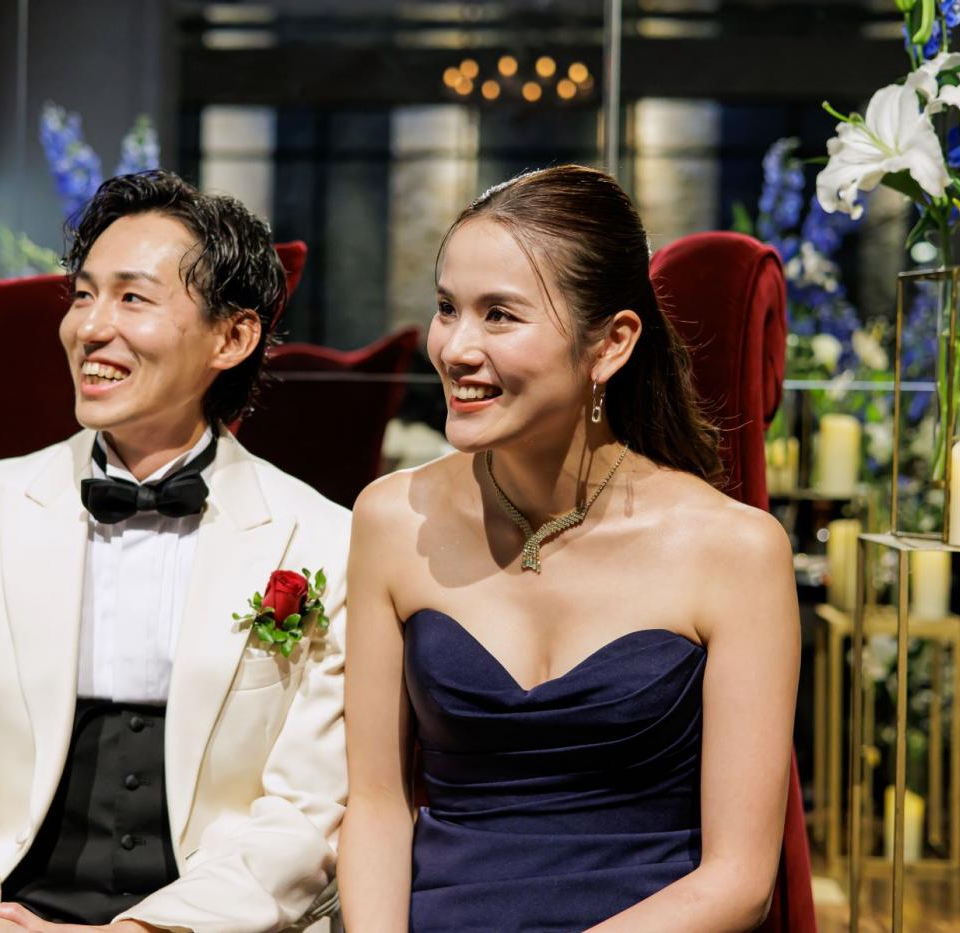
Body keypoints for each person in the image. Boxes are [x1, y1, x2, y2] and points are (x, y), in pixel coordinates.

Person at [0, 171, 350, 933]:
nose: (90, 328)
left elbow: (309, 809)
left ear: (232, 337)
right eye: (84, 294)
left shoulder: (323, 537)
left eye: (132, 298)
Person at [339, 165, 798, 932]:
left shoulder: (735, 549)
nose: (455, 347)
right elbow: (378, 806)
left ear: (611, 343)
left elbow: (739, 879)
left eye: (499, 315)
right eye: (447, 308)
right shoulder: (391, 518)